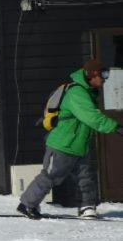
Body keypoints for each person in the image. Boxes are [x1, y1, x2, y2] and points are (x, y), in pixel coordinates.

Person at [18, 59, 123, 220]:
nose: (105, 78)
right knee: (50, 176)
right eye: (104, 74)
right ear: (93, 74)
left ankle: (87, 206)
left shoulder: (88, 91)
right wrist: (115, 126)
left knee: (85, 177)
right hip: (62, 145)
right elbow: (91, 117)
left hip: (80, 145)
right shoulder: (77, 93)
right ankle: (27, 204)